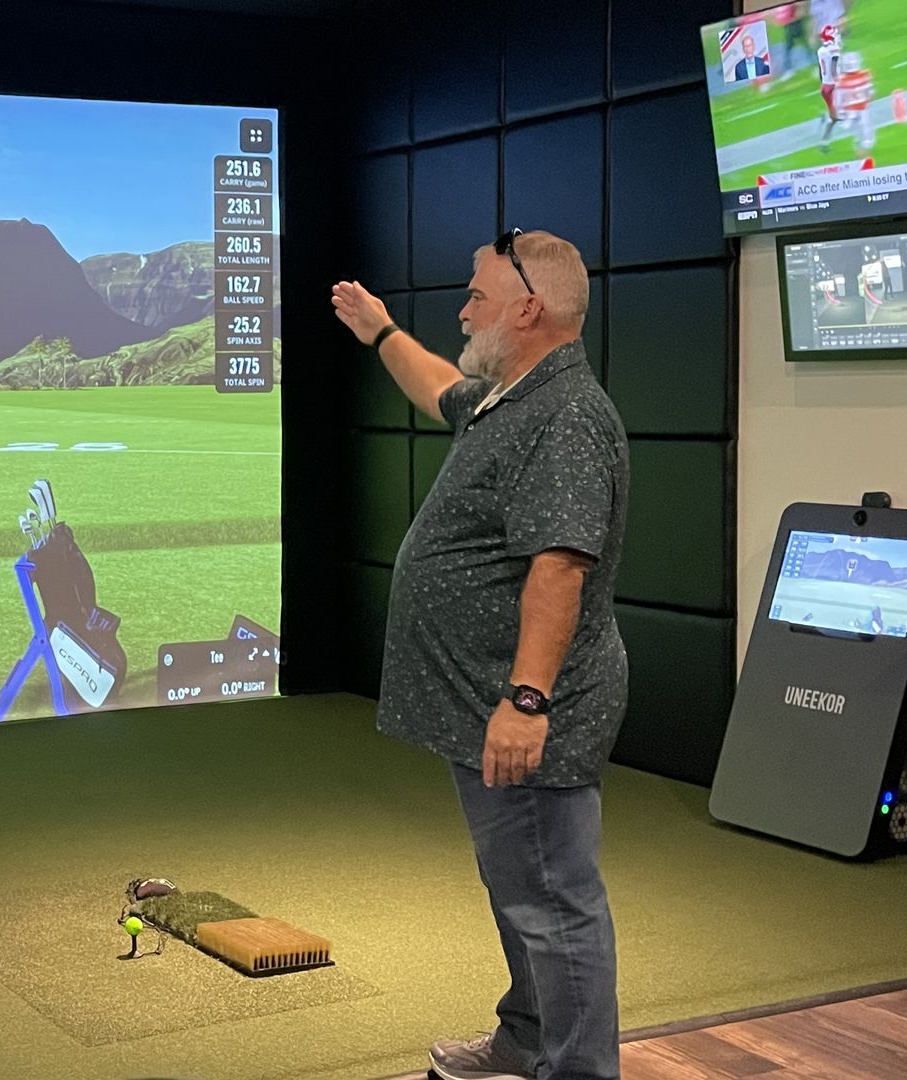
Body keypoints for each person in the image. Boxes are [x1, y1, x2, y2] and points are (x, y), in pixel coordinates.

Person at [331, 229, 630, 1080]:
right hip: (484, 698)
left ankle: (574, 1069)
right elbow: (439, 388)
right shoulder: (513, 395)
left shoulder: (566, 415)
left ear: (528, 309)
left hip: (527, 706)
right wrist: (382, 332)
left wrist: (527, 701)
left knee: (553, 903)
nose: (463, 308)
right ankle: (527, 1039)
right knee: (522, 889)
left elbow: (560, 568)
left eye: (477, 295)